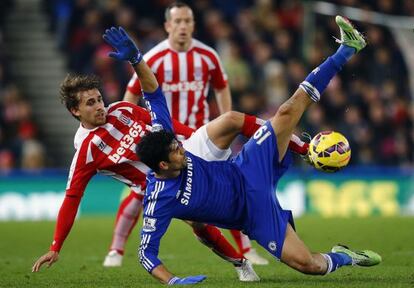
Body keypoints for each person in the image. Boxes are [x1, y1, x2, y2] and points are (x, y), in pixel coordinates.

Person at [100, 16, 382, 284]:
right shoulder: (158, 199)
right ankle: (346, 256)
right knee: (308, 265)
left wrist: (137, 60)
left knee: (285, 112)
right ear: (162, 165)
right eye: (176, 150)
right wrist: (172, 280)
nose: (182, 149)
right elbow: (146, 254)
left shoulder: (163, 135)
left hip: (247, 168)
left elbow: (153, 93)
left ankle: (346, 49)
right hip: (252, 215)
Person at [30, 72, 266, 281]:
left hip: (181, 160)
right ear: (75, 110)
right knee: (198, 222)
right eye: (90, 103)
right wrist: (56, 246)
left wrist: (195, 136)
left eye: (99, 99)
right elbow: (72, 197)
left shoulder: (123, 110)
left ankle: (259, 226)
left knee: (228, 192)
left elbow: (163, 123)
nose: (100, 106)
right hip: (159, 188)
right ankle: (241, 262)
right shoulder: (86, 152)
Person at [104, 1, 269, 267]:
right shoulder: (155, 58)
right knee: (140, 193)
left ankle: (246, 252)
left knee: (228, 190)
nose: (182, 26)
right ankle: (116, 249)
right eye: (177, 21)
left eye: (187, 21)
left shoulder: (208, 56)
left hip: (201, 138)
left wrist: (227, 124)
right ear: (168, 25)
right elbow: (132, 94)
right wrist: (130, 130)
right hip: (167, 141)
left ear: (193, 24)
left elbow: (221, 87)